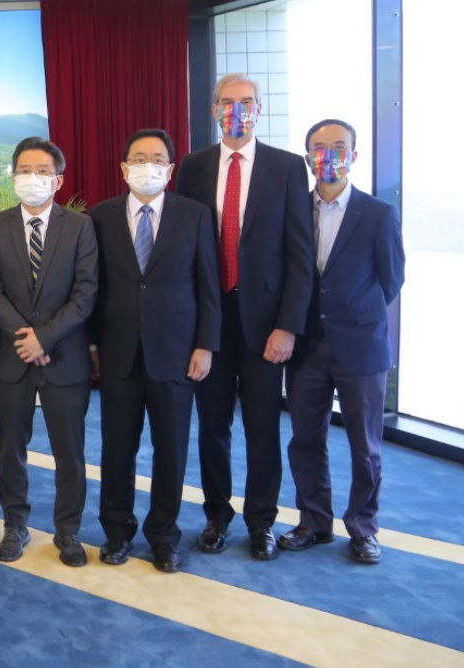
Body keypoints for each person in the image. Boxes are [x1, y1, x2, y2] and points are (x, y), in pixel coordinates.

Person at [175, 74, 315, 560]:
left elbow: (300, 255)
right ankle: (217, 516)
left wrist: (289, 325)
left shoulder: (288, 168)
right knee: (212, 424)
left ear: (260, 108)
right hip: (209, 322)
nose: (237, 109)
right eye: (227, 102)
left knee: (262, 426)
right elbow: (183, 251)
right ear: (214, 109)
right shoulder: (193, 167)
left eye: (246, 102)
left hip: (266, 325)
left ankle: (261, 521)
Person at [87, 129, 222, 573]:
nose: (149, 165)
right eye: (139, 158)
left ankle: (164, 535)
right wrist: (90, 341)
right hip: (118, 353)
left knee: (172, 449)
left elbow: (208, 287)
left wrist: (205, 345)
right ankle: (117, 532)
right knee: (117, 449)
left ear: (170, 168)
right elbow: (92, 288)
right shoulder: (100, 216)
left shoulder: (195, 215)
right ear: (124, 168)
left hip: (177, 353)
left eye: (158, 159)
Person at [279, 119, 404, 565]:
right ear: (307, 154)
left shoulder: (378, 214)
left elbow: (392, 281)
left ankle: (364, 528)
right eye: (319, 147)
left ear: (353, 155)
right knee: (304, 440)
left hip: (362, 350)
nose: (328, 154)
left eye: (338, 147)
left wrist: (354, 315)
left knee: (365, 447)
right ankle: (314, 521)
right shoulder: (291, 209)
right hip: (306, 346)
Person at [0, 137, 97, 567]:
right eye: (24, 171)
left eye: (42, 171)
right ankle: (15, 524)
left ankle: (68, 530)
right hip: (12, 356)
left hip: (64, 357)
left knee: (70, 450)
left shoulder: (81, 227)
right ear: (13, 177)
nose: (32, 178)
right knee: (11, 446)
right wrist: (25, 337)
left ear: (58, 179)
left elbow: (86, 294)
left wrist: (44, 338)